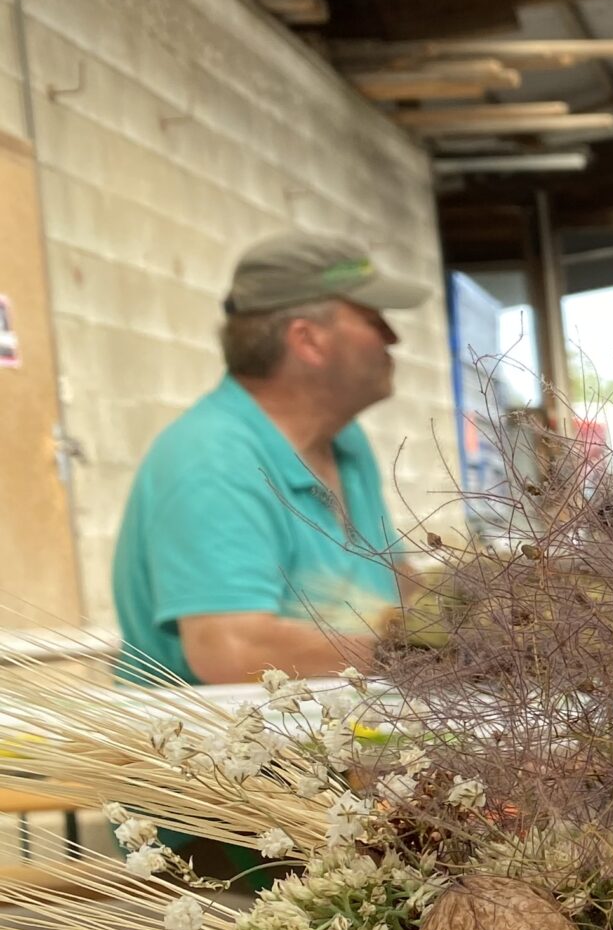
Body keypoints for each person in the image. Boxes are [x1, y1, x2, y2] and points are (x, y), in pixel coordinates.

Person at [112, 234, 427, 685]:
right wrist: (424, 658)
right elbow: (231, 649)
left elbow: (392, 581)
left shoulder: (345, 442)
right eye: (373, 319)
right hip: (233, 750)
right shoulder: (211, 458)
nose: (393, 337)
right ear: (308, 340)